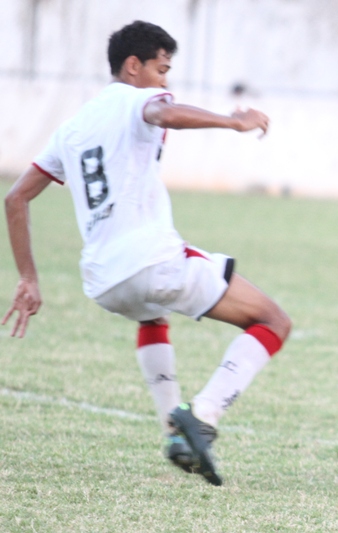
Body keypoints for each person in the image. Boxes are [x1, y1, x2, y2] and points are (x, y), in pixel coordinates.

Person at [3, 21, 291, 487]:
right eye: (162, 69)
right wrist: (232, 121)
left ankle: (172, 429)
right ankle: (203, 415)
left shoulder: (73, 126)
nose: (166, 83)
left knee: (152, 316)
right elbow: (163, 113)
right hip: (151, 261)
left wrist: (28, 278)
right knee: (274, 321)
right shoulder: (139, 100)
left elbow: (15, 198)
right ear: (133, 67)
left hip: (102, 282)